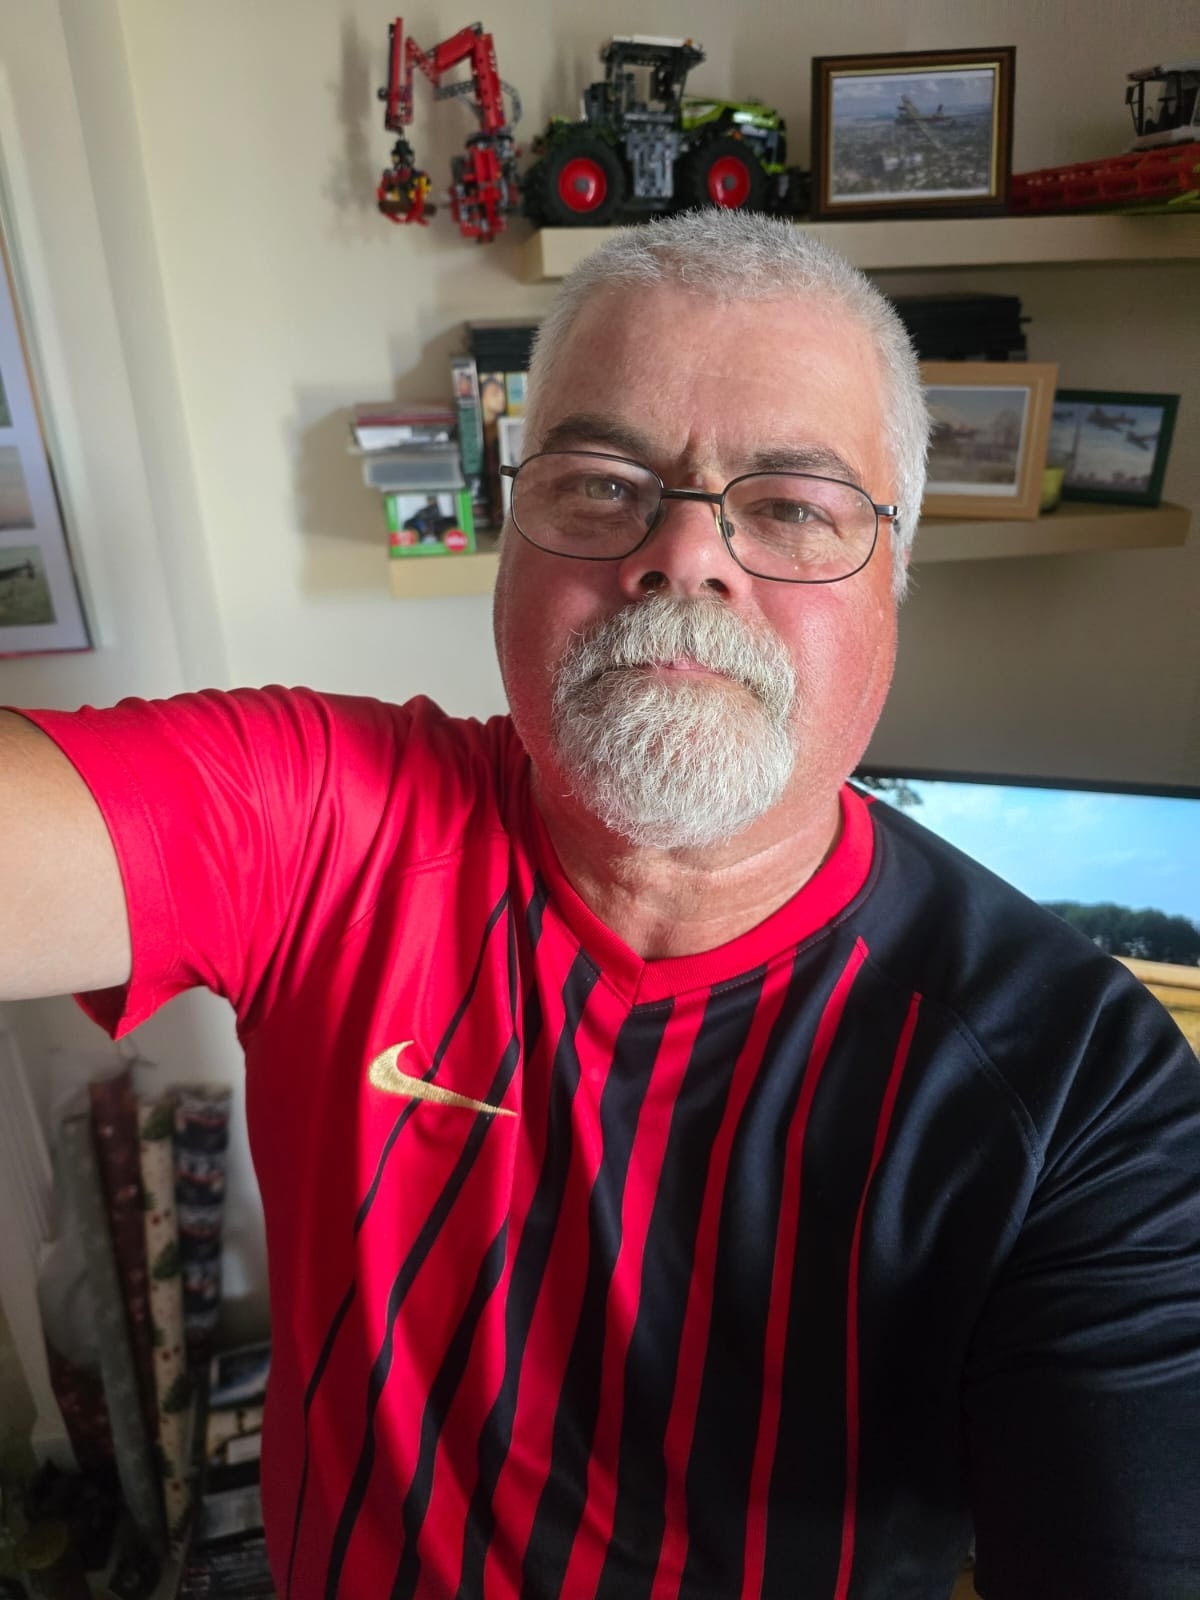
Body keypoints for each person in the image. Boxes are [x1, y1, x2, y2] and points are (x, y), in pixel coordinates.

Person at [1, 210, 1197, 1600]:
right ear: (512, 539)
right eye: (600, 484)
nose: (685, 553)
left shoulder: (1081, 1088)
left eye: (792, 507)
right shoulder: (325, 819)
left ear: (895, 584)